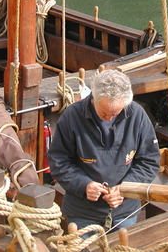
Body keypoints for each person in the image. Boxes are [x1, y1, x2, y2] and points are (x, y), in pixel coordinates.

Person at [48, 69, 160, 231]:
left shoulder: (137, 116)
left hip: (125, 213)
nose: (109, 118)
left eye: (116, 114)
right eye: (104, 113)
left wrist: (125, 189)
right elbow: (58, 161)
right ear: (93, 98)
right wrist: (84, 185)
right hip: (82, 213)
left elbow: (149, 161)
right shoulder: (71, 116)